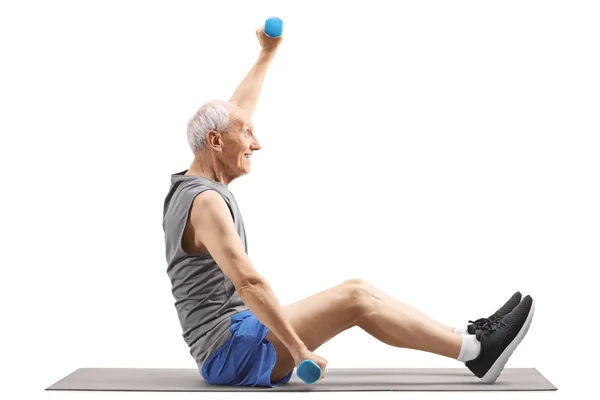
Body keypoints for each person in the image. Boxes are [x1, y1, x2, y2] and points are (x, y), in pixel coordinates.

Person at [162, 24, 535, 388]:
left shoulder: (199, 180)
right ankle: (476, 351)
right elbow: (248, 282)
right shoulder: (206, 201)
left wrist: (266, 54)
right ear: (214, 141)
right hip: (229, 351)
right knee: (354, 298)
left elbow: (237, 111)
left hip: (240, 334)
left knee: (358, 288)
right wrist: (299, 349)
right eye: (246, 134)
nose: (255, 144)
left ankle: (467, 335)